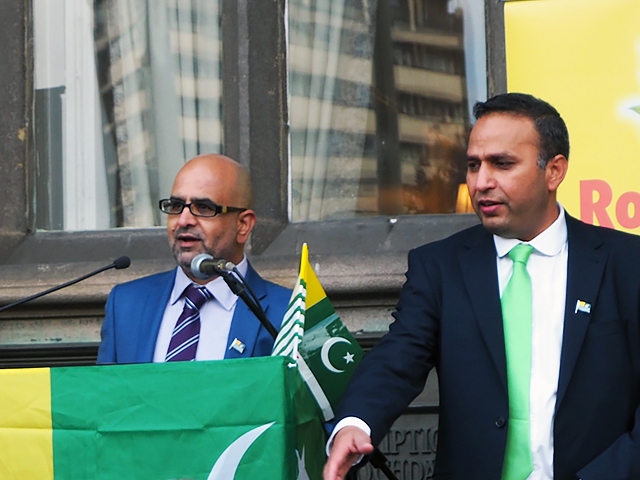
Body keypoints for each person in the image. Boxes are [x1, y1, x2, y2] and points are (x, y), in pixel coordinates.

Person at [324, 93, 640, 479]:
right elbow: (398, 357)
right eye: (473, 165)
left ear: (554, 171)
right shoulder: (439, 266)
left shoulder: (626, 264)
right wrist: (356, 422)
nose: (481, 182)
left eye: (502, 164)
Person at [97, 154, 291, 364]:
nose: (184, 220)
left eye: (204, 208)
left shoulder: (290, 312)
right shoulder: (126, 305)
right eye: (176, 206)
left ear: (243, 225)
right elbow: (107, 395)